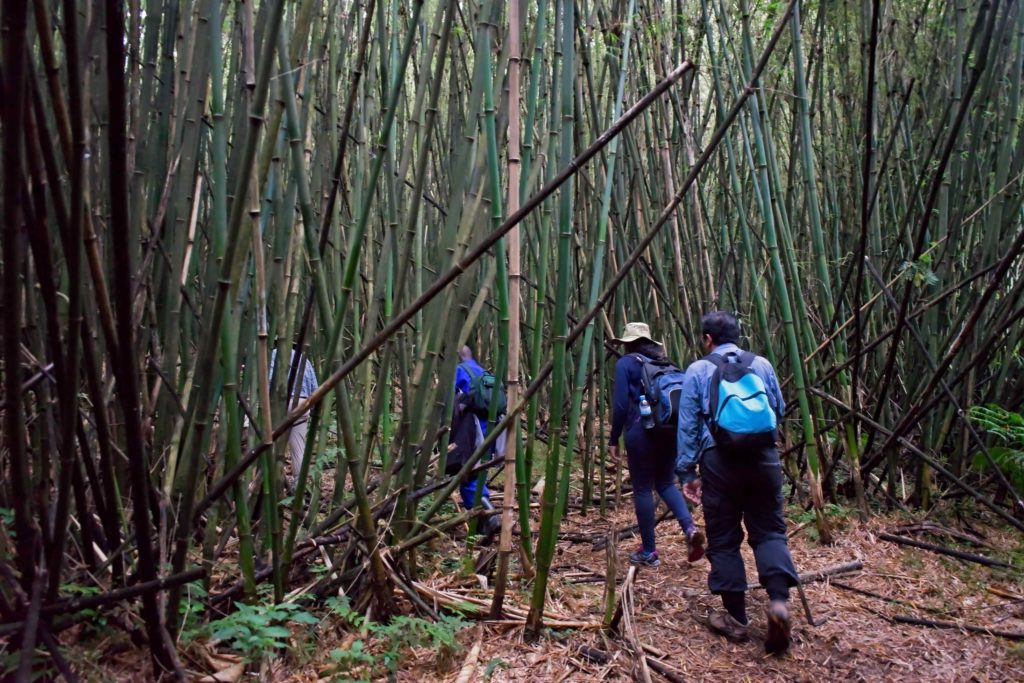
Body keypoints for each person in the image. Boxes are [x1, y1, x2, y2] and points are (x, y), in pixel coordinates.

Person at [676, 311, 798, 655]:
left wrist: (687, 473)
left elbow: (687, 424)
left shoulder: (699, 370)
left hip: (719, 462)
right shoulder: (762, 365)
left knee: (725, 538)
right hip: (764, 458)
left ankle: (736, 617)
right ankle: (777, 603)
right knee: (770, 530)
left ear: (707, 339)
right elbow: (778, 408)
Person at [609, 322, 705, 567]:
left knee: (642, 488)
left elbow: (620, 405)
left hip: (641, 431)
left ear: (628, 343)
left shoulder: (625, 363)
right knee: (665, 482)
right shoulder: (667, 364)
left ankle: (649, 552)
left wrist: (613, 438)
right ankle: (690, 528)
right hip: (670, 431)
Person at [451, 345, 501, 539]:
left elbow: (451, 404)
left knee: (469, 476)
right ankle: (483, 523)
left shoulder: (460, 371)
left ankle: (489, 517)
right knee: (479, 473)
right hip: (490, 429)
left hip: (472, 430)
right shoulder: (483, 372)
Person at [270, 345, 319, 492]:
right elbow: (315, 388)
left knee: (271, 443)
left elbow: (268, 380)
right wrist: (314, 410)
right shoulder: (304, 359)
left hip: (279, 401)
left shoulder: (273, 354)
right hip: (301, 403)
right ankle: (299, 486)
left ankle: (271, 482)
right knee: (298, 446)